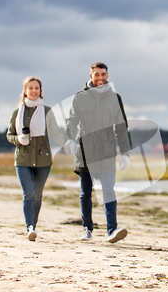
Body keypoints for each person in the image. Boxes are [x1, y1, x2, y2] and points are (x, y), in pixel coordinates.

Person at [64, 62, 130, 243]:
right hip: (85, 150)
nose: (101, 78)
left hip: (107, 150)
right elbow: (71, 120)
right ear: (91, 75)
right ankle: (87, 229)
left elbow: (122, 127)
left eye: (103, 74)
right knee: (86, 193)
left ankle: (112, 230)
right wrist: (69, 138)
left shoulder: (115, 98)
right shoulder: (80, 97)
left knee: (108, 190)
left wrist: (125, 152)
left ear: (107, 75)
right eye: (97, 74)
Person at [7, 76, 65, 241]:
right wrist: (19, 139)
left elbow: (55, 133)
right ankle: (29, 227)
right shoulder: (17, 113)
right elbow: (9, 134)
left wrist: (67, 144)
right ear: (25, 91)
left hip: (43, 160)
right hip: (23, 159)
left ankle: (34, 225)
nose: (34, 91)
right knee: (29, 194)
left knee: (37, 195)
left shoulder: (47, 111)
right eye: (30, 88)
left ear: (40, 91)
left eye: (36, 88)